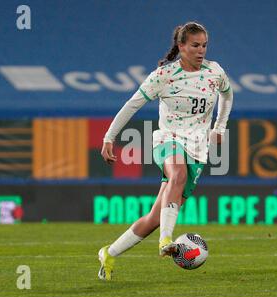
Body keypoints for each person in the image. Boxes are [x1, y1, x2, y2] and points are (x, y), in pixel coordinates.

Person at [98, 21, 233, 280]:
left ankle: (109, 252)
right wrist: (109, 137)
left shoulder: (214, 72)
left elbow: (228, 95)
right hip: (167, 140)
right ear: (181, 46)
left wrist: (219, 126)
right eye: (195, 45)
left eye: (204, 45)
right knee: (177, 174)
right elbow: (131, 105)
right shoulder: (164, 75)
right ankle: (166, 241)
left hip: (197, 147)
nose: (201, 50)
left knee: (155, 217)